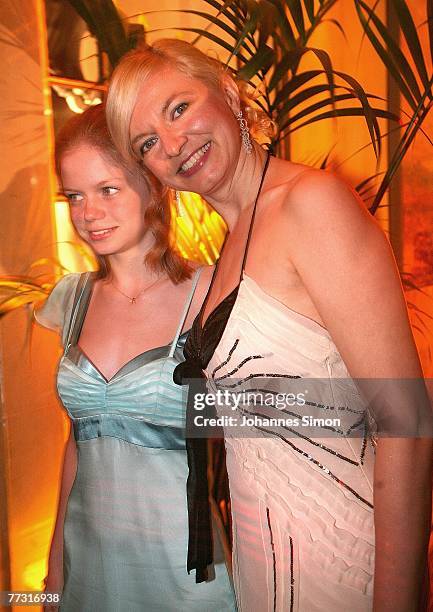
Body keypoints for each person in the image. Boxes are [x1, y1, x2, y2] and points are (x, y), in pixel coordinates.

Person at [105, 39, 433, 612]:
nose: (174, 145)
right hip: (261, 571)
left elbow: (406, 421)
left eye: (178, 109)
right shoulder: (234, 241)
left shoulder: (311, 204)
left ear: (229, 92)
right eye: (148, 143)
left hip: (341, 564)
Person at [35, 104, 236, 612]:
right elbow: (77, 443)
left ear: (153, 185)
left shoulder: (211, 293)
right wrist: (55, 564)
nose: (89, 213)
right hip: (90, 566)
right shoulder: (72, 298)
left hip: (184, 569)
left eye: (108, 189)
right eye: (75, 196)